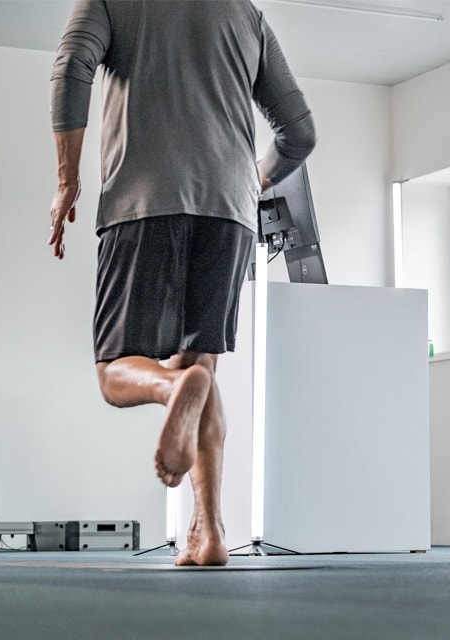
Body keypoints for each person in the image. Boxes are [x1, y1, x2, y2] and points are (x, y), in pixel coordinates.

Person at [48, 0, 316, 566]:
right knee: (205, 364)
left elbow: (72, 65)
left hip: (144, 200)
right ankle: (210, 532)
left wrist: (67, 180)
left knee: (115, 369)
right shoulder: (245, 14)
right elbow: (299, 132)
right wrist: (250, 180)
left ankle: (172, 388)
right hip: (230, 211)